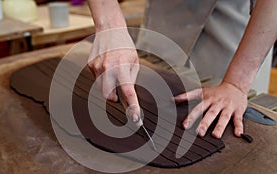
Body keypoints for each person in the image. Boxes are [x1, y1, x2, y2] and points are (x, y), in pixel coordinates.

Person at [87, 0, 277, 139]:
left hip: (244, 19)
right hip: (168, 13)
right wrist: (109, 23)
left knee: (224, 125)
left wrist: (237, 83)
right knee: (152, 100)